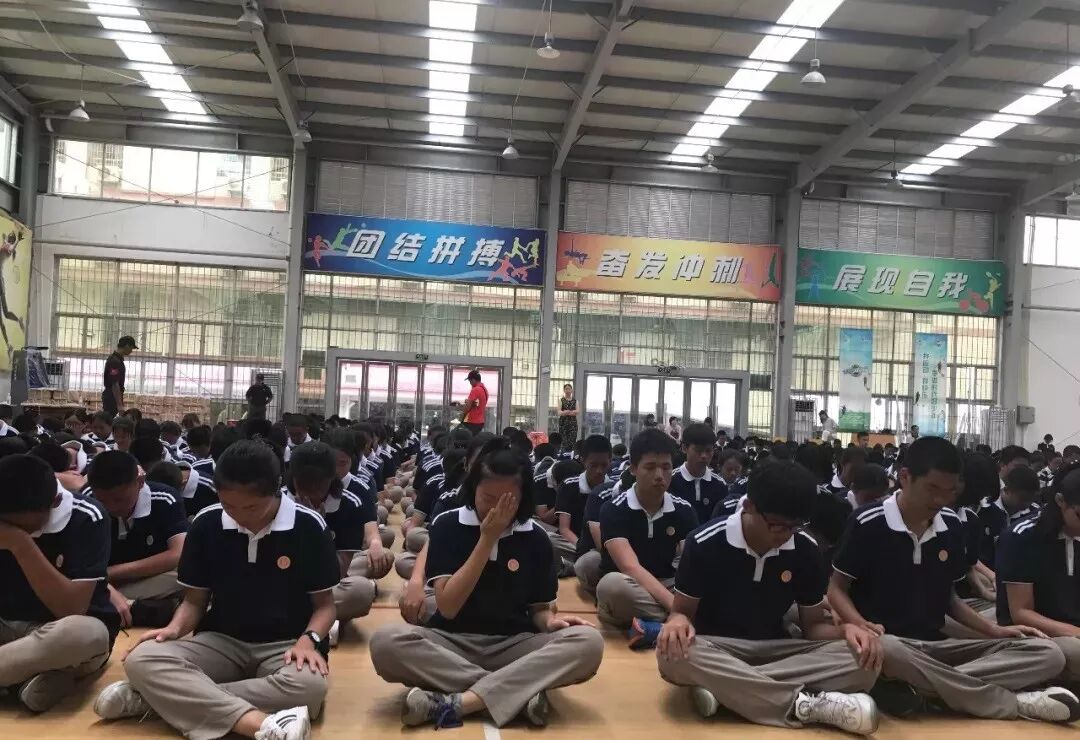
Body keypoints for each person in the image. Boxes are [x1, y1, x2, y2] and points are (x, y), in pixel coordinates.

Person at [94, 440, 339, 740]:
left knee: (309, 687)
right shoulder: (207, 523)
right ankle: (260, 724)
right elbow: (194, 602)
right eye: (228, 505)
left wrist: (308, 640)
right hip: (221, 642)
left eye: (251, 507)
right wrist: (174, 629)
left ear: (276, 489)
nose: (239, 515)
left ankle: (153, 701)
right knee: (142, 658)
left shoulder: (308, 526)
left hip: (286, 645)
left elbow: (325, 606)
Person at [828, 437, 1079, 723]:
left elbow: (949, 598)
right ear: (905, 477)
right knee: (889, 650)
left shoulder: (950, 524)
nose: (941, 500)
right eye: (932, 489)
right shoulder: (868, 521)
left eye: (949, 492)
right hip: (890, 644)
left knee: (1048, 654)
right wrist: (860, 625)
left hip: (939, 646)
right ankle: (1010, 702)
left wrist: (994, 631)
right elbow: (836, 589)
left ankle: (919, 689)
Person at [368, 446, 605, 729]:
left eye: (507, 501)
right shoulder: (448, 525)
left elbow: (539, 609)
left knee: (589, 642)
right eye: (488, 498)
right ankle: (518, 693)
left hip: (515, 645)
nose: (495, 509)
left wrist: (550, 622)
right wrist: (487, 539)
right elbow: (448, 607)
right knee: (385, 642)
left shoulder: (536, 538)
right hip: (451, 642)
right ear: (473, 489)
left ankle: (460, 701)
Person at [657, 460, 881, 734]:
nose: (786, 535)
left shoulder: (805, 550)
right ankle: (804, 704)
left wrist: (846, 630)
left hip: (777, 650)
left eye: (795, 526)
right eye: (777, 525)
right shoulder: (705, 542)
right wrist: (677, 621)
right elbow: (682, 613)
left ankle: (727, 691)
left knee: (864, 662)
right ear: (749, 506)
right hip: (718, 647)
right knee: (672, 655)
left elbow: (812, 628)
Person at [0, 454, 118, 712]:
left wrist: (20, 544)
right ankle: (28, 679)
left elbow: (71, 609)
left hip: (61, 631)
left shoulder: (88, 517)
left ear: (53, 502)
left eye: (20, 524)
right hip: (8, 629)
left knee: (81, 635)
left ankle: (20, 676)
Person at [595, 428, 699, 643]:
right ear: (633, 468)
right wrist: (679, 611)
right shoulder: (614, 509)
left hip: (668, 583)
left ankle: (656, 628)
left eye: (666, 467)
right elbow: (630, 567)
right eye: (650, 467)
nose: (659, 475)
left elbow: (692, 565)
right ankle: (685, 624)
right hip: (631, 586)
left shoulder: (684, 510)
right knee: (611, 587)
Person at [285, 441, 382, 647]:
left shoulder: (350, 504)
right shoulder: (277, 500)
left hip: (326, 588)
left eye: (319, 486)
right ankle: (320, 623)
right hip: (280, 585)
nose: (311, 494)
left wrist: (317, 529)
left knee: (361, 591)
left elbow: (338, 571)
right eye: (305, 485)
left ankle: (315, 620)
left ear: (332, 478)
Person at [996, 461, 1080, 681]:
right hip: (1036, 634)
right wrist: (1074, 632)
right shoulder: (1023, 537)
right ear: (1060, 501)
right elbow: (1021, 612)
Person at [86, 451, 187, 629]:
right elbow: (79, 568)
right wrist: (106, 587)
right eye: (102, 500)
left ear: (140, 482)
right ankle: (134, 607)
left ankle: (114, 606)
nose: (111, 507)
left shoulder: (165, 498)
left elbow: (177, 554)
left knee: (188, 575)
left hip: (147, 577)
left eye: (119, 499)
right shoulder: (87, 503)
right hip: (97, 582)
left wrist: (110, 574)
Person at [553, 434, 613, 567]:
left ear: (611, 461)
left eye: (604, 465)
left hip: (606, 547)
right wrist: (582, 548)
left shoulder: (614, 488)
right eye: (593, 465)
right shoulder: (569, 485)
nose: (599, 471)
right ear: (583, 461)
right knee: (550, 540)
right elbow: (564, 529)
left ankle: (573, 566)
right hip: (573, 543)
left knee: (594, 559)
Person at [977, 465, 1041, 568]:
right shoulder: (983, 509)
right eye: (1023, 499)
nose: (1027, 503)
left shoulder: (1035, 513)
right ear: (1006, 490)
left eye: (1031, 498)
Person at [668, 423, 727, 524]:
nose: (704, 456)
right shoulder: (670, 481)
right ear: (684, 448)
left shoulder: (720, 485)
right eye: (698, 450)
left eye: (708, 451)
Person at [102, 336, 137, 417]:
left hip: (113, 395)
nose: (131, 351)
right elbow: (115, 383)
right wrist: (119, 405)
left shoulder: (116, 360)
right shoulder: (115, 361)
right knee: (110, 420)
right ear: (127, 346)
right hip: (112, 396)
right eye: (131, 348)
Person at [457, 370, 489, 435]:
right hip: (480, 422)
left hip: (472, 422)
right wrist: (468, 402)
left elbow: (467, 407)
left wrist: (461, 411)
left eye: (470, 381)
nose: (470, 383)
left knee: (462, 437)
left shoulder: (475, 390)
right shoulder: (484, 389)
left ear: (473, 380)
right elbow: (478, 404)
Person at [556, 383, 578, 452]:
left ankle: (571, 455)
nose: (568, 390)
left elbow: (577, 412)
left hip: (573, 424)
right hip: (563, 423)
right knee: (564, 441)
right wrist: (570, 412)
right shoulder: (561, 400)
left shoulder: (575, 401)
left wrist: (566, 412)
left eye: (569, 389)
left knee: (572, 440)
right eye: (566, 389)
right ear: (564, 390)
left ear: (572, 390)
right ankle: (563, 455)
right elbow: (559, 412)